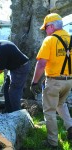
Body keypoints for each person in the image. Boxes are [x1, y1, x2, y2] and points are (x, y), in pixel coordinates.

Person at [30, 13, 72, 149]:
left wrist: (34, 82)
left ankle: (52, 142)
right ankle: (70, 127)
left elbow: (41, 64)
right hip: (69, 81)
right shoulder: (71, 39)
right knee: (61, 104)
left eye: (46, 28)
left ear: (52, 26)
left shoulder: (49, 40)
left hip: (54, 82)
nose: (45, 31)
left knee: (49, 111)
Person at [0, 39, 30, 113]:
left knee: (14, 92)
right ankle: (9, 111)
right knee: (6, 88)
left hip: (20, 68)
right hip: (13, 68)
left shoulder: (1, 51)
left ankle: (17, 114)